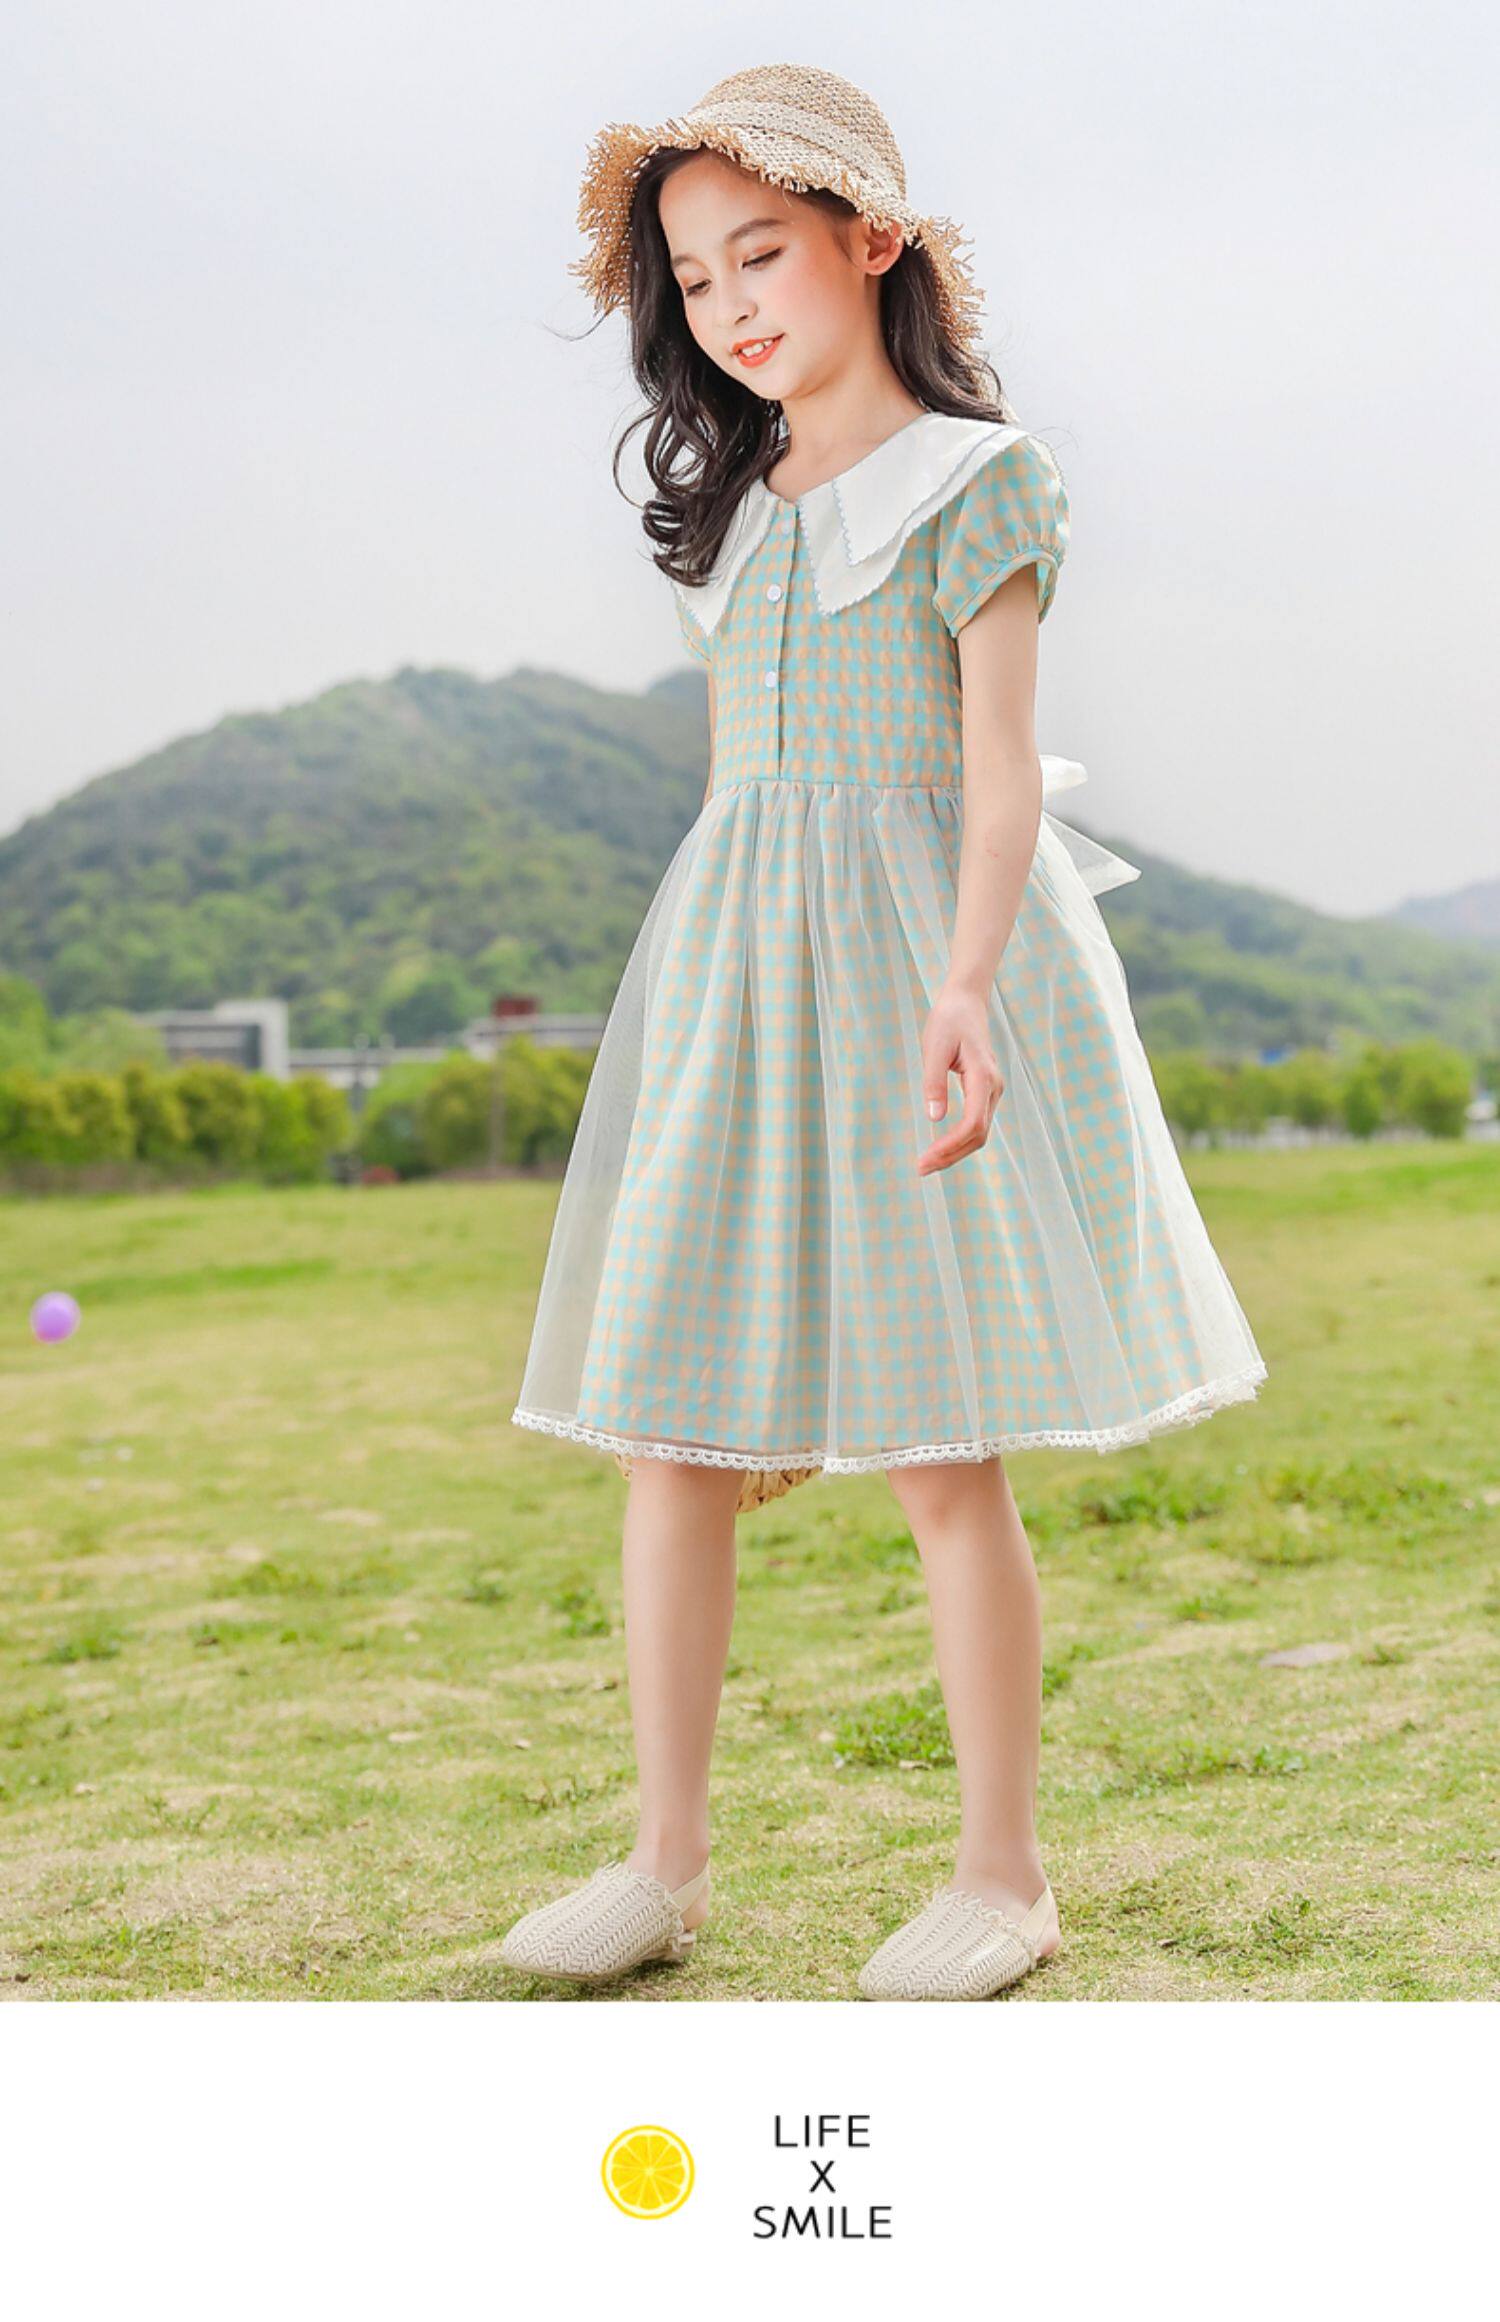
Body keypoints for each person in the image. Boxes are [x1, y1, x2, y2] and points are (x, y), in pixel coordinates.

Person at [502, 63, 1267, 1999]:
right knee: (669, 1438)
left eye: (760, 251)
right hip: (741, 975)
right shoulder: (739, 514)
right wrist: (713, 1006)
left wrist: (964, 984)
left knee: (942, 1450)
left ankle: (1005, 1875)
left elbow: (996, 774)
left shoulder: (974, 479)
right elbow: (743, 789)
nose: (728, 303)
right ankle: (663, 1862)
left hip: (924, 964)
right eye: (692, 277)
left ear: (873, 239)